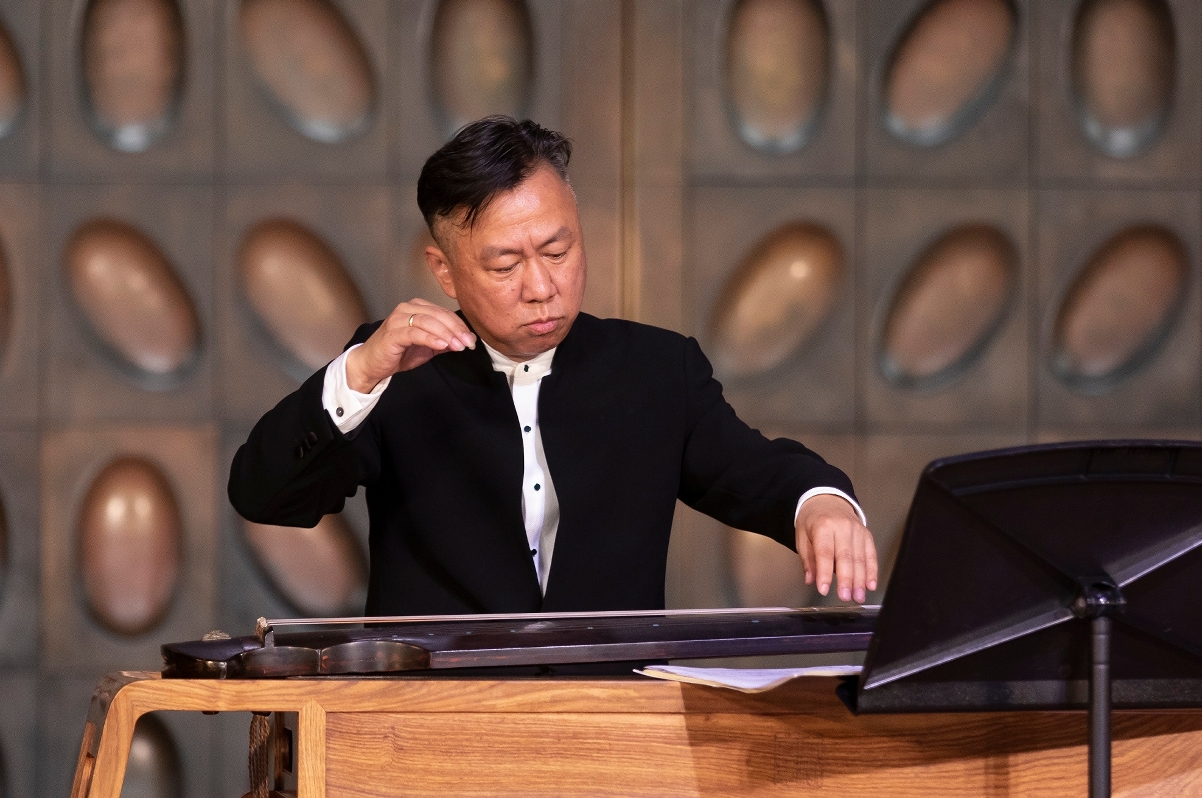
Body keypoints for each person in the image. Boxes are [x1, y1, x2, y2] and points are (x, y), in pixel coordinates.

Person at [229, 116, 877, 617]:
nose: (541, 287)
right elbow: (264, 496)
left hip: (609, 721)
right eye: (505, 265)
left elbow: (755, 470)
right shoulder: (395, 372)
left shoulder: (656, 369)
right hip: (437, 722)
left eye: (558, 251)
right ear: (444, 271)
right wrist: (359, 374)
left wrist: (820, 504)